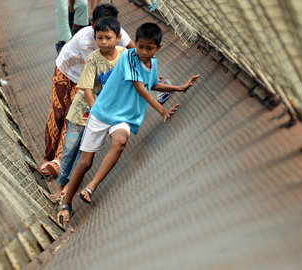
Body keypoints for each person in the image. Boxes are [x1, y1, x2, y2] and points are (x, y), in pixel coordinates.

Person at [58, 22, 200, 223]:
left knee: (120, 142)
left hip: (123, 117)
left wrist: (180, 88)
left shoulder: (153, 63)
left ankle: (91, 187)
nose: (143, 51)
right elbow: (141, 88)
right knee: (85, 162)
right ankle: (67, 203)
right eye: (140, 46)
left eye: (149, 48)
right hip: (102, 113)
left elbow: (152, 84)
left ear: (158, 48)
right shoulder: (129, 57)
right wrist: (162, 111)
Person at [42, 4, 136, 178]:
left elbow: (134, 51)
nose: (105, 38)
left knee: (73, 115)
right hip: (66, 70)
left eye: (110, 32)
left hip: (84, 80)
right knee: (57, 113)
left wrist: (148, 70)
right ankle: (47, 157)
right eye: (100, 32)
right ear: (92, 25)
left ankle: (57, 161)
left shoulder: (116, 33)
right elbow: (97, 70)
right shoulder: (85, 40)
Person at [50, 17, 126, 201]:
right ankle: (60, 185)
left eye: (108, 38)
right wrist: (95, 111)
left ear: (118, 37)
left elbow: (137, 77)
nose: (104, 42)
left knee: (85, 151)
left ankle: (68, 189)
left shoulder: (124, 56)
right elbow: (87, 89)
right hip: (84, 109)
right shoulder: (92, 59)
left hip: (102, 112)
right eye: (99, 38)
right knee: (69, 148)